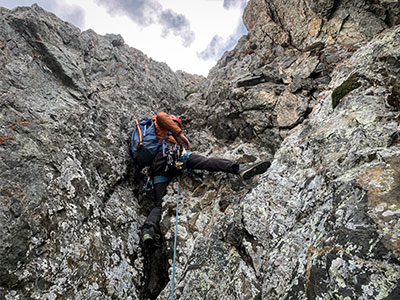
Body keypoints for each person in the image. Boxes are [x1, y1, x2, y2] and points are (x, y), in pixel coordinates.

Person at [141, 112, 270, 249]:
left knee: (158, 205)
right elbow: (161, 116)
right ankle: (239, 168)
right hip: (172, 155)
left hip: (158, 168)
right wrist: (179, 134)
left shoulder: (154, 138)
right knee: (206, 162)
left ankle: (148, 229)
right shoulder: (162, 126)